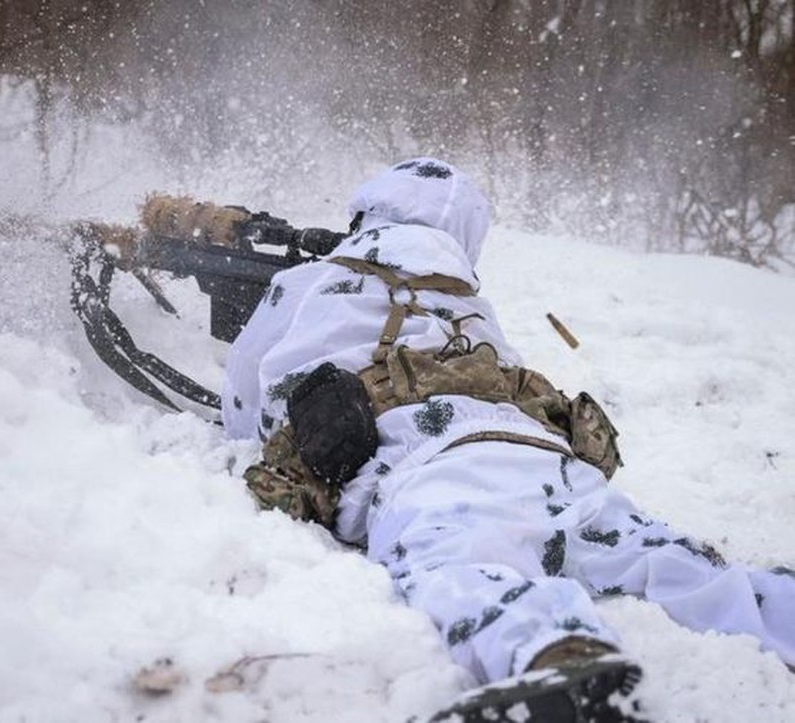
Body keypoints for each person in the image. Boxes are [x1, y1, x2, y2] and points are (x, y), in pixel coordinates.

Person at [221, 158, 794, 719]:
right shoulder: (467, 302)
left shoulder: (311, 282)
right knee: (656, 556)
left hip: (429, 467)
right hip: (543, 457)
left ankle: (558, 658)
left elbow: (244, 399)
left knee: (462, 566)